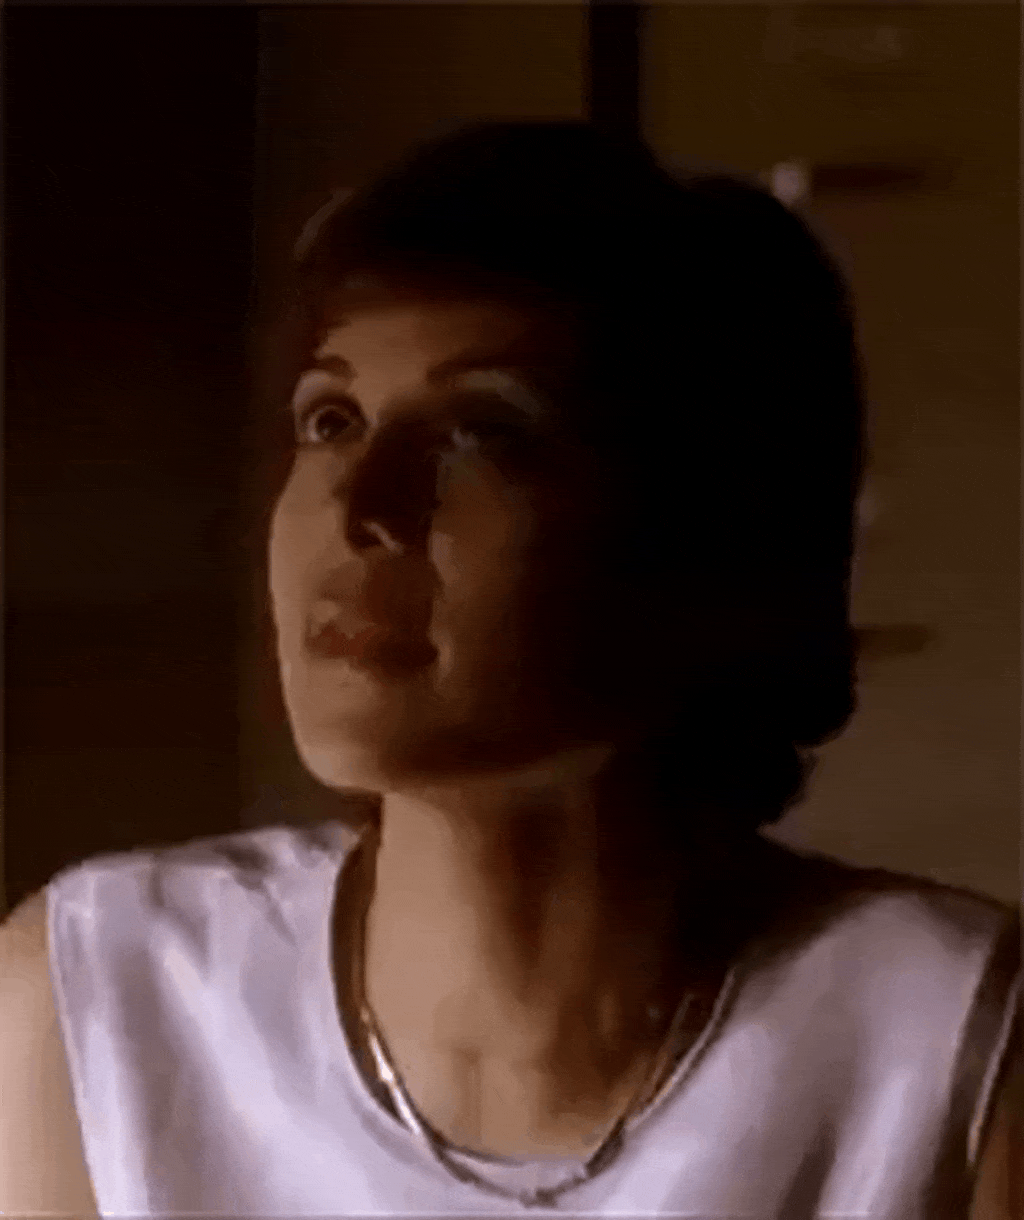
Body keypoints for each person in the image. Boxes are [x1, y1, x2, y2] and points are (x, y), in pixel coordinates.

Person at [1, 120, 1020, 1218]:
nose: (361, 503)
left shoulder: (947, 1043)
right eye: (332, 419)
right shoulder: (100, 1001)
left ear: (707, 532)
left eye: (483, 432)